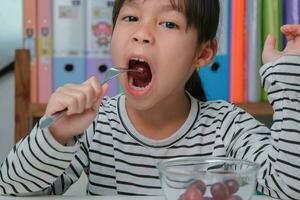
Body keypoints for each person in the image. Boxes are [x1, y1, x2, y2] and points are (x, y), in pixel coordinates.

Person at [1, 0, 300, 199]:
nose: (142, 34)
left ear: (203, 53)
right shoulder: (96, 125)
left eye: (168, 24)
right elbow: (11, 187)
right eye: (130, 17)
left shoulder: (228, 126)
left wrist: (289, 85)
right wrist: (55, 134)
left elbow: (289, 187)